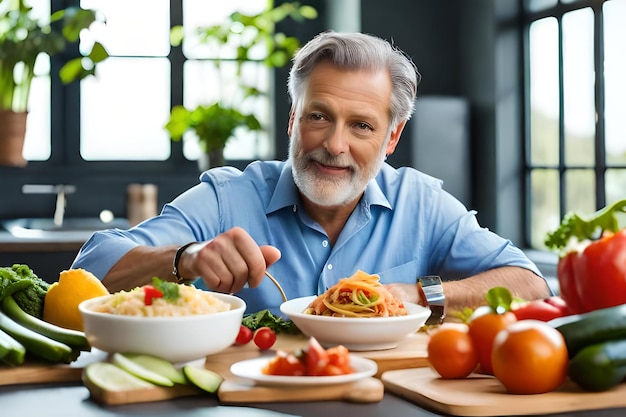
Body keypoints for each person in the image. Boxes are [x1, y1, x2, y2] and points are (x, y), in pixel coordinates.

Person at [71, 31, 551, 318]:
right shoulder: (227, 197)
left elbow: (531, 283)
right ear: (293, 120)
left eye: (361, 126)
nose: (334, 145)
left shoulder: (421, 202)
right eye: (318, 116)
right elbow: (90, 267)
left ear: (391, 138)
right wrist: (187, 257)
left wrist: (419, 295)